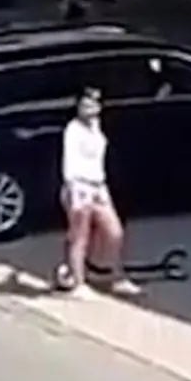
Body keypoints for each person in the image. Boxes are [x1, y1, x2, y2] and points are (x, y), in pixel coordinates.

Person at [57, 88, 140, 298]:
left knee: (114, 232)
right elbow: (70, 163)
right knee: (80, 236)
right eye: (85, 105)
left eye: (93, 105)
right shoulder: (73, 130)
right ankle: (78, 283)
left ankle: (111, 275)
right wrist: (75, 191)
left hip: (98, 185)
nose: (89, 109)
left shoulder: (97, 126)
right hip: (79, 186)